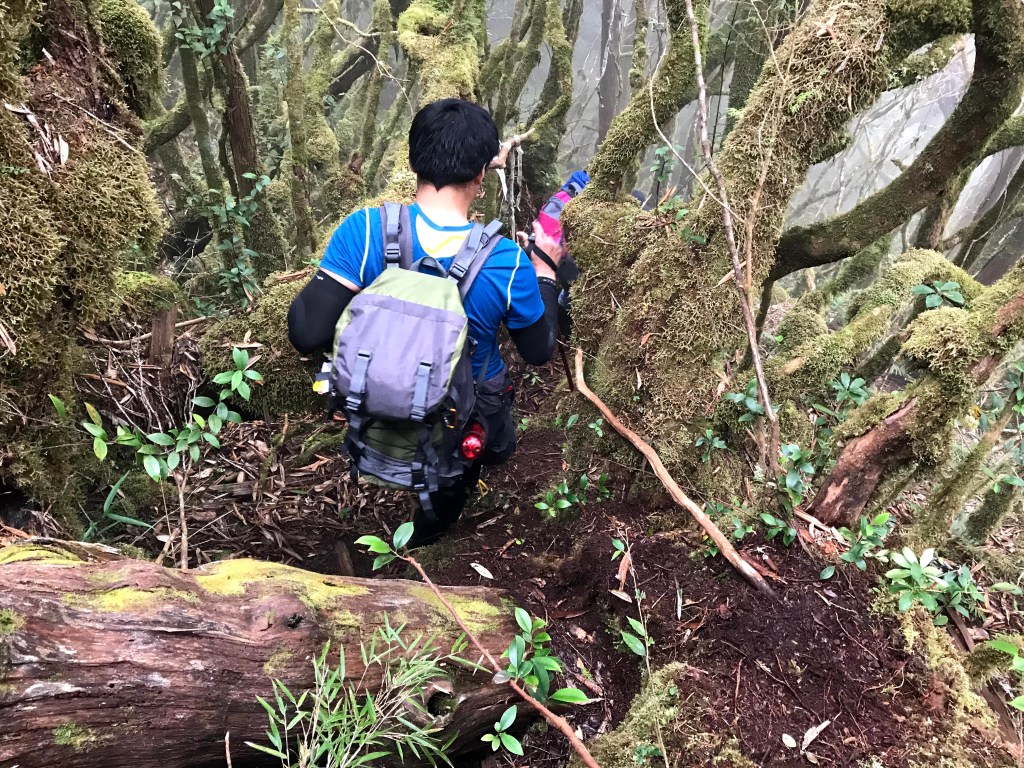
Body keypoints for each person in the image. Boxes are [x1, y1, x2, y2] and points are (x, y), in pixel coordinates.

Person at [287, 98, 564, 546]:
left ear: (414, 158)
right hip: (464, 411)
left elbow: (306, 333)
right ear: (482, 173)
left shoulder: (364, 231)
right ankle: (435, 525)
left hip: (371, 398)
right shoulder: (505, 261)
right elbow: (538, 350)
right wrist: (545, 273)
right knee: (492, 448)